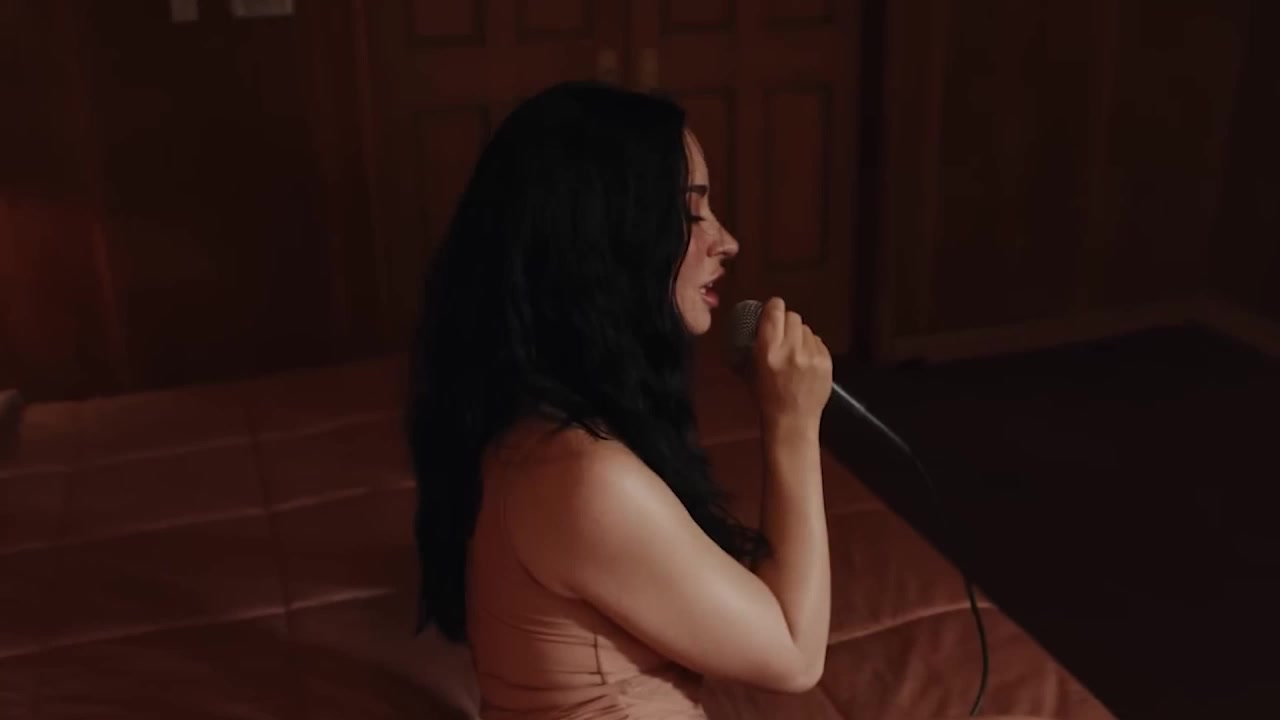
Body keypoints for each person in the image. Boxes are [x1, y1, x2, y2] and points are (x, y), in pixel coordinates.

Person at [407, 81, 833, 719]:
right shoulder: (581, 477)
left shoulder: (528, 415)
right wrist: (792, 422)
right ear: (601, 240)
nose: (726, 241)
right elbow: (796, 656)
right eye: (691, 213)